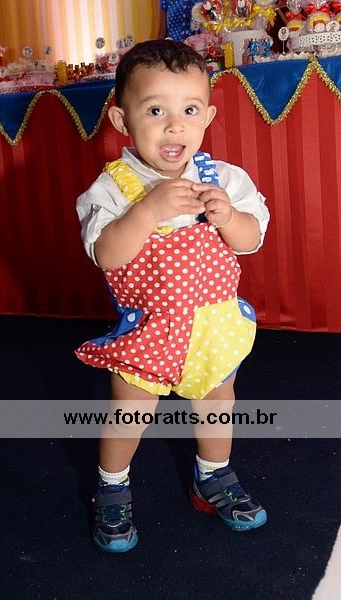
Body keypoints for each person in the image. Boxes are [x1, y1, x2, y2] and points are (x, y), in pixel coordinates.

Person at [75, 39, 270, 553]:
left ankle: (213, 475)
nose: (174, 126)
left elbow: (251, 240)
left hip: (214, 325)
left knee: (218, 402)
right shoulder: (114, 187)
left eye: (188, 110)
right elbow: (107, 255)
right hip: (150, 330)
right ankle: (112, 488)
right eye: (155, 111)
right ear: (122, 120)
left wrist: (230, 217)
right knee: (129, 414)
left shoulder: (224, 179)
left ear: (207, 116)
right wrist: (146, 211)